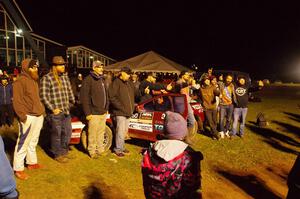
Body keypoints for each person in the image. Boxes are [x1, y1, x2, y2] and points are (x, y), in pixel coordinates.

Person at [141, 111, 202, 198]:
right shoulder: (189, 157)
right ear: (183, 132)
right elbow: (194, 188)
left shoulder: (149, 152)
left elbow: (146, 184)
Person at [12, 59, 45, 180]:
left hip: (38, 115)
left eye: (36, 67)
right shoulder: (20, 81)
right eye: (33, 67)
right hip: (28, 117)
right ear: (27, 68)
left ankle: (31, 162)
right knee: (23, 142)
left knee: (33, 141)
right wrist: (23, 116)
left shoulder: (34, 80)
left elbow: (36, 99)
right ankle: (18, 168)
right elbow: (17, 101)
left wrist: (41, 111)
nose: (35, 69)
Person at [40, 56, 75, 163]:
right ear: (54, 66)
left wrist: (72, 102)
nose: (63, 66)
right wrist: (53, 109)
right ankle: (57, 154)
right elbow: (43, 96)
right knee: (57, 134)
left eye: (64, 64)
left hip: (66, 111)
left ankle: (64, 152)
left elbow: (69, 91)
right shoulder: (47, 78)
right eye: (61, 65)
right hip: (55, 113)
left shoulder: (65, 77)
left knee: (67, 132)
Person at [80, 60, 109, 159]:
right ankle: (92, 151)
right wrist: (87, 112)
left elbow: (106, 95)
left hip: (102, 112)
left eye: (102, 67)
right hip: (93, 113)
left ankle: (100, 149)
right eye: (99, 67)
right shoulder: (88, 80)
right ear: (94, 68)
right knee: (92, 133)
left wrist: (106, 108)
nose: (101, 69)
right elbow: (84, 97)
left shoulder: (102, 79)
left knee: (101, 132)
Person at [109, 66, 136, 157]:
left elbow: (133, 95)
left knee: (124, 131)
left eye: (129, 74)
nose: (129, 76)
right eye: (127, 74)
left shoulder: (129, 83)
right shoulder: (116, 82)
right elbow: (112, 97)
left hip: (128, 112)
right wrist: (121, 108)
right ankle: (118, 149)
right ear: (122, 73)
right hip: (120, 112)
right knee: (120, 131)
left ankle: (122, 147)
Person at [199, 75, 220, 140]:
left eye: (208, 80)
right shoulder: (201, 89)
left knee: (214, 121)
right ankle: (216, 134)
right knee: (210, 122)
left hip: (213, 107)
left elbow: (217, 93)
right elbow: (198, 96)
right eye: (206, 80)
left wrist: (217, 92)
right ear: (203, 81)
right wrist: (202, 104)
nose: (207, 81)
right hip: (206, 108)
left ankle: (213, 134)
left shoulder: (213, 87)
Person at [219, 74, 236, 138]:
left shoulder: (232, 86)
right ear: (225, 78)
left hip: (230, 105)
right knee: (221, 119)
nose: (229, 80)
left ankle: (226, 131)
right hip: (222, 105)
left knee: (229, 119)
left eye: (230, 79)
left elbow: (233, 95)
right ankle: (221, 131)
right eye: (228, 78)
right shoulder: (221, 84)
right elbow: (214, 82)